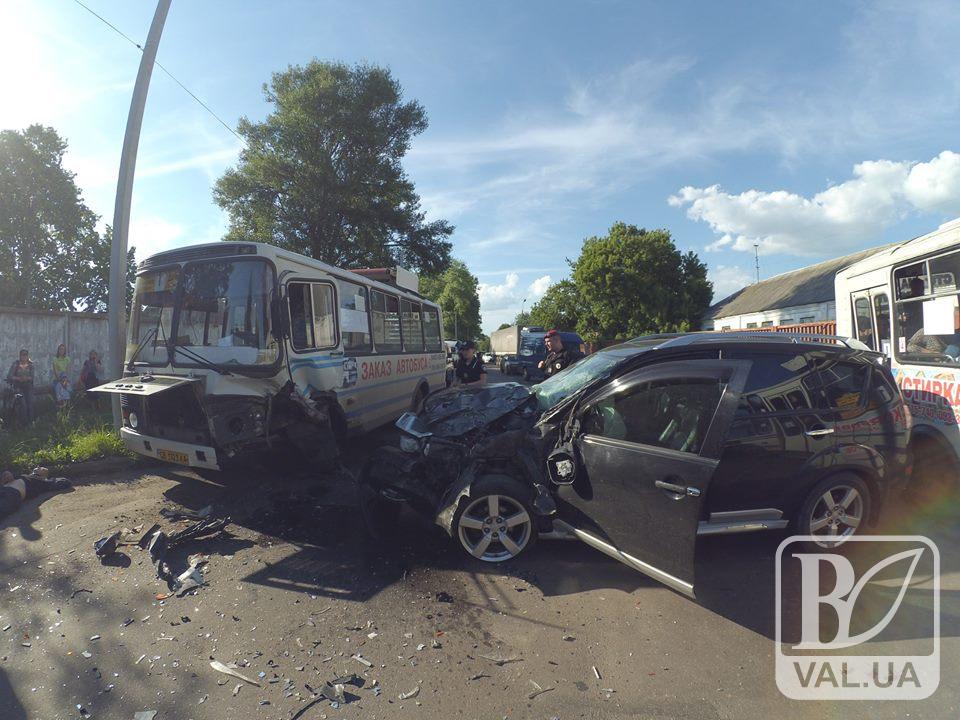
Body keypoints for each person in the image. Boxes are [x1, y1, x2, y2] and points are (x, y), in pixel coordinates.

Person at [0, 467, 71, 522]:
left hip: (13, 494)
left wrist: (50, 480)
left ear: (44, 475)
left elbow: (66, 482)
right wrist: (5, 479)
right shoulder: (23, 476)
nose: (38, 467)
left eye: (42, 468)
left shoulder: (43, 483)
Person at [6, 348, 34, 424]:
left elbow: (32, 377)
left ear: (28, 356)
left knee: (30, 404)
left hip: (28, 386)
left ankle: (31, 423)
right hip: (18, 387)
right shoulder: (16, 364)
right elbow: (9, 376)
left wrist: (26, 378)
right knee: (23, 404)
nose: (24, 356)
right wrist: (18, 378)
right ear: (20, 356)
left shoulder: (30, 365)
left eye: (25, 355)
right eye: (22, 355)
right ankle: (23, 424)